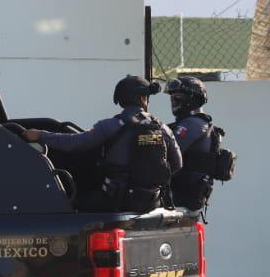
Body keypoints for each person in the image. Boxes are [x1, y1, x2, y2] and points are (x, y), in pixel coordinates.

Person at [24, 75, 181, 212]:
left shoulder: (110, 125)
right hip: (153, 201)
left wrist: (41, 135)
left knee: (73, 204)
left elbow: (75, 142)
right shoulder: (162, 127)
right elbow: (177, 164)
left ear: (120, 100)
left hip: (116, 200)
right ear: (142, 99)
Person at [165, 76, 231, 211]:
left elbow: (165, 153)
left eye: (177, 97)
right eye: (172, 98)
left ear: (192, 99)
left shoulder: (192, 124)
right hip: (188, 194)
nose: (173, 101)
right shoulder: (198, 123)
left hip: (181, 194)